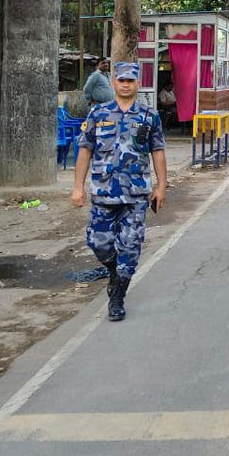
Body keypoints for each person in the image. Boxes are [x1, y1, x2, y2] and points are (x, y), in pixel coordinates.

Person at [70, 61, 168, 322]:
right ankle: (115, 270)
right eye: (121, 80)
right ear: (113, 82)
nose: (126, 85)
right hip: (104, 192)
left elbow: (158, 151)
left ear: (138, 83)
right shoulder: (98, 114)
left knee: (131, 246)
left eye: (130, 80)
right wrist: (78, 187)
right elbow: (85, 150)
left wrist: (161, 186)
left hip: (136, 194)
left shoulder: (148, 116)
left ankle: (117, 297)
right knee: (98, 242)